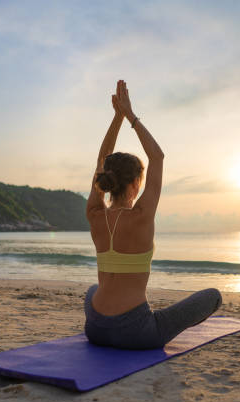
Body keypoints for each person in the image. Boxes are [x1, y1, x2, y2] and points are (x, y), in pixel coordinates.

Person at [84, 79, 222, 349]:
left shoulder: (94, 214)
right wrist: (130, 116)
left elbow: (102, 159)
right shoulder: (142, 215)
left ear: (105, 180)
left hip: (95, 328)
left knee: (93, 291)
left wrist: (117, 118)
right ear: (136, 183)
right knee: (213, 296)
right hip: (135, 332)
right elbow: (157, 157)